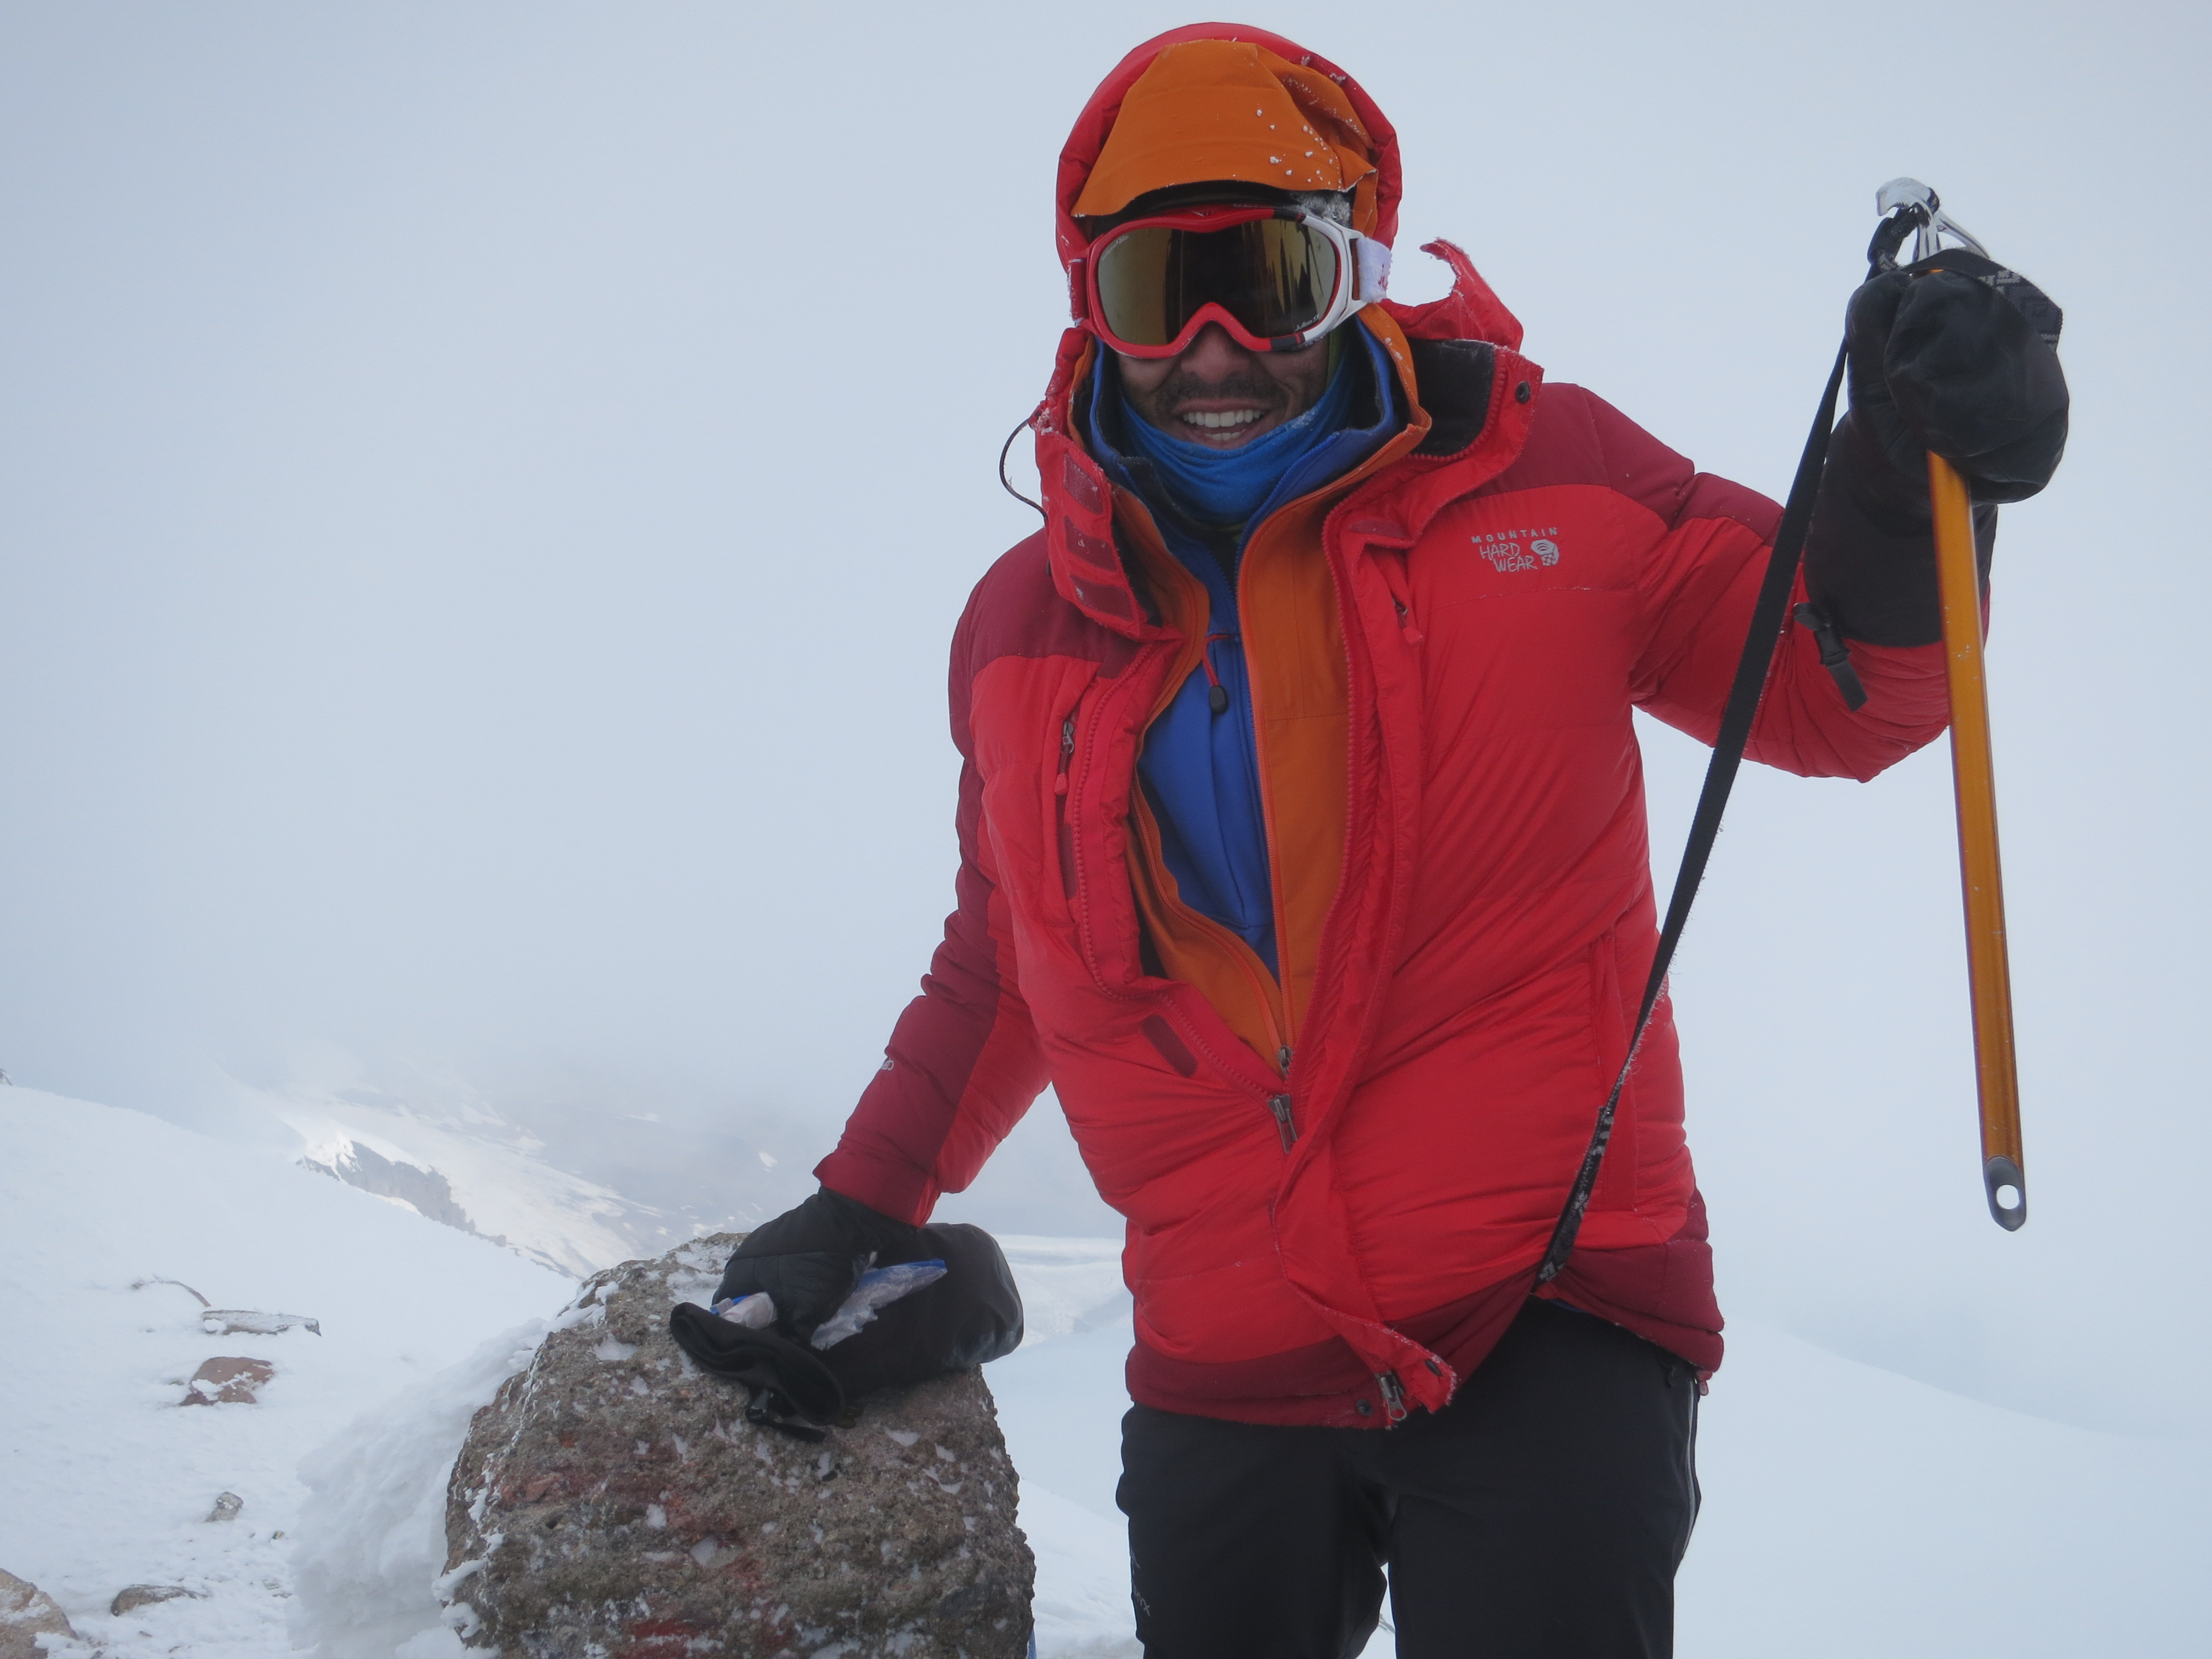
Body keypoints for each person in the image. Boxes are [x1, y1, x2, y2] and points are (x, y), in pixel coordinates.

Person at [719, 23, 2068, 1657]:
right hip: (1222, 1352)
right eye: (1157, 293)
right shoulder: (1025, 630)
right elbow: (1010, 957)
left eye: (1271, 282)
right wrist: (869, 1195)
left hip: (1549, 1309)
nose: (1215, 351)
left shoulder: (1549, 478)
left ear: (1358, 272)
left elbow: (1831, 692)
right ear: (1089, 304)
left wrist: (1908, 483)